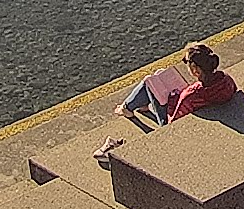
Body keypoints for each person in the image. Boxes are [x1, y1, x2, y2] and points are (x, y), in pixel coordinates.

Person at [96, 44, 235, 160]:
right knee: (158, 77)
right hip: (201, 106)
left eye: (186, 62)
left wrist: (173, 97)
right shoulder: (226, 79)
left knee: (150, 82)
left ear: (196, 70)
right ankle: (135, 106)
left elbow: (173, 122)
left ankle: (128, 107)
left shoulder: (191, 94)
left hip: (174, 121)